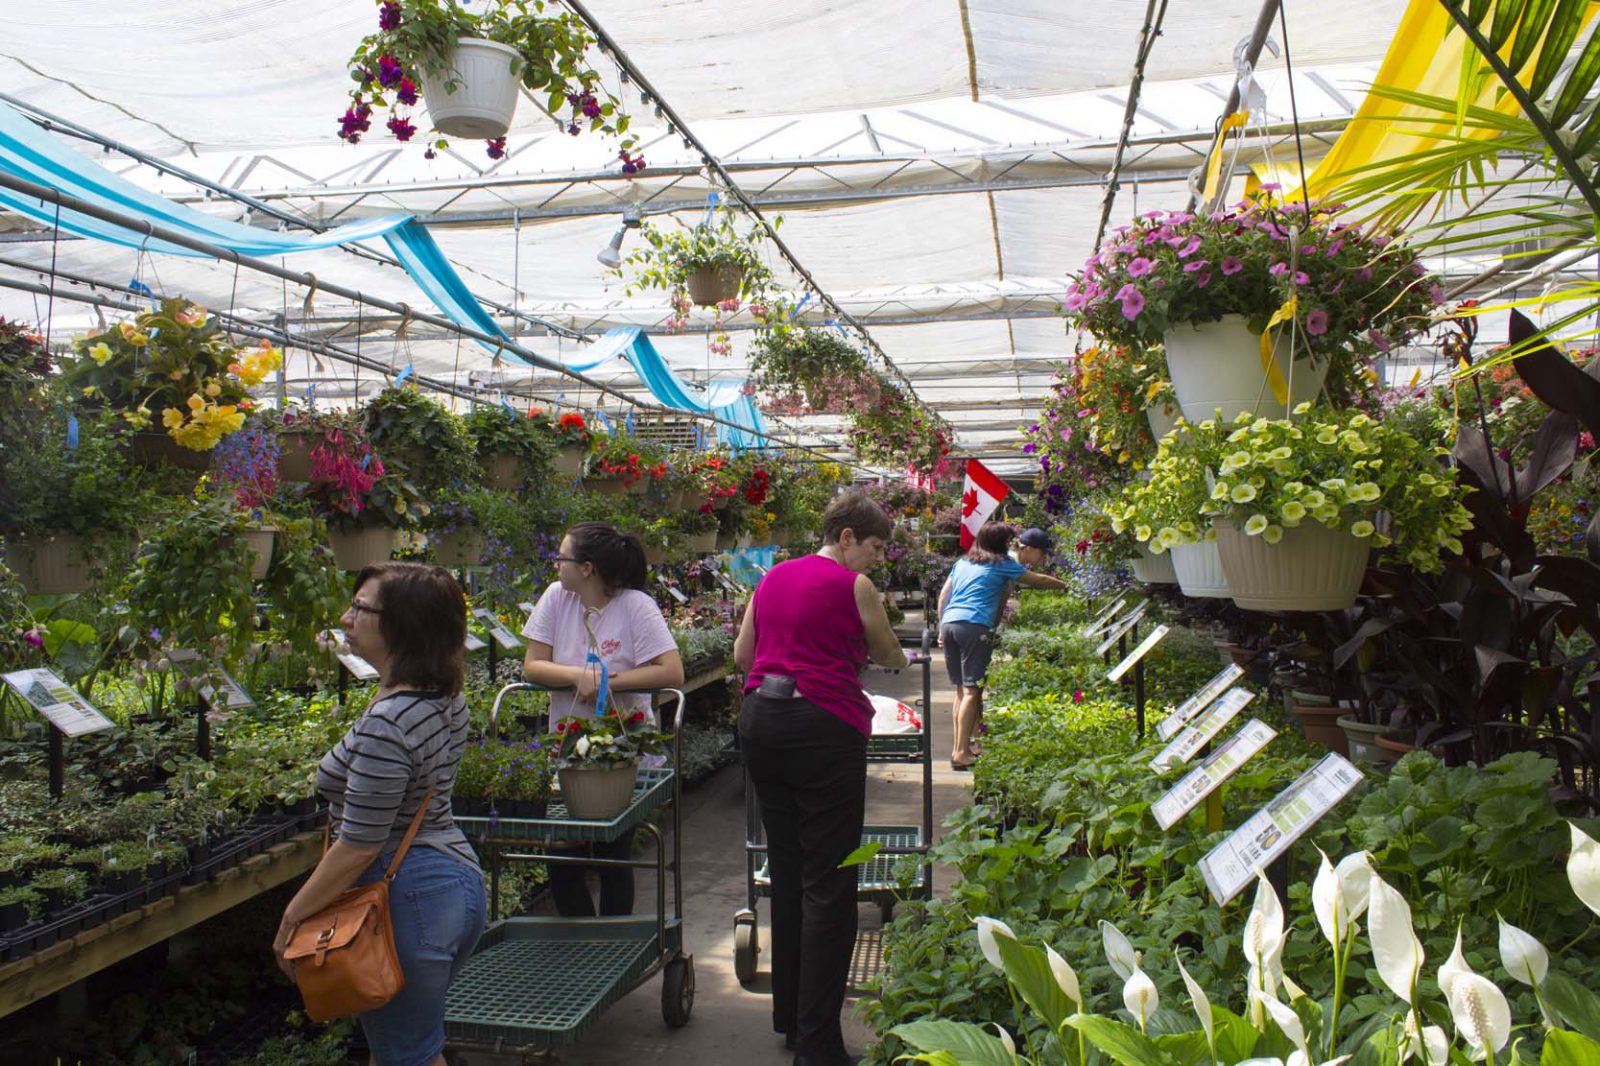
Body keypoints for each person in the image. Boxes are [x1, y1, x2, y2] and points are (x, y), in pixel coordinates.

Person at [274, 562, 483, 1066]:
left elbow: (360, 844)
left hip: (402, 900)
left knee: (407, 1055)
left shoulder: (388, 725)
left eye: (360, 608)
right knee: (405, 1050)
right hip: (452, 884)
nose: (347, 617)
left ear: (400, 625)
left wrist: (292, 918)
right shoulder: (440, 697)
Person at [734, 489, 907, 1066]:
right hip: (822, 729)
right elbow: (890, 654)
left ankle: (789, 1018)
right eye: (875, 547)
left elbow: (742, 655)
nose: (878, 559)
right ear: (847, 537)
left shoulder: (772, 578)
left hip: (761, 721)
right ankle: (818, 1045)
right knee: (828, 883)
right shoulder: (855, 586)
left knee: (786, 871)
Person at [521, 522, 684, 916]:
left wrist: (611, 681)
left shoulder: (635, 606)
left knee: (614, 854)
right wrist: (576, 676)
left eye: (562, 558)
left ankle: (612, 942)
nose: (556, 565)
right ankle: (582, 942)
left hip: (621, 749)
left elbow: (671, 672)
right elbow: (533, 665)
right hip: (566, 748)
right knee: (562, 854)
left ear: (587, 567)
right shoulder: (557, 599)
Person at [938, 522, 1067, 770]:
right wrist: (1065, 585)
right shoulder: (1002, 564)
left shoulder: (963, 562)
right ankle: (961, 751)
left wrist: (941, 626)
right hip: (974, 626)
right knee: (972, 691)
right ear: (1001, 544)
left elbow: (945, 595)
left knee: (961, 691)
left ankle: (960, 748)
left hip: (950, 624)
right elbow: (1037, 580)